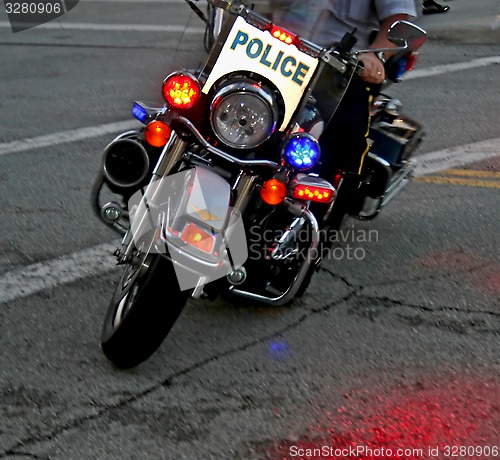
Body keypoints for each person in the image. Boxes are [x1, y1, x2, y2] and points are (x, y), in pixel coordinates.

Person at [270, 0, 418, 231]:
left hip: (343, 69)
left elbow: (397, 18)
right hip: (276, 56)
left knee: (346, 139)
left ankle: (322, 224)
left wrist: (376, 56)